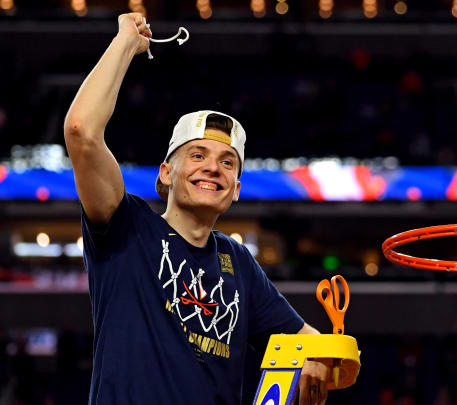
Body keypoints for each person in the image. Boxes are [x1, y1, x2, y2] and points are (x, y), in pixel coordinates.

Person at [64, 12, 329, 405]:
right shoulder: (127, 227)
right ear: (166, 172)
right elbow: (81, 132)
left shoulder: (237, 263)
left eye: (227, 162)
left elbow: (309, 342)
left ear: (236, 189)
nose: (212, 168)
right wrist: (125, 43)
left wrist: (321, 357)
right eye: (198, 155)